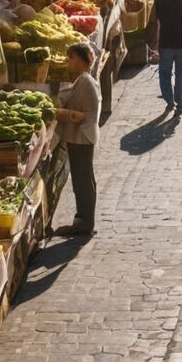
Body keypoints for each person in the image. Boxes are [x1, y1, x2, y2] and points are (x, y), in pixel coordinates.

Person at [54, 43, 101, 236]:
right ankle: (84, 219)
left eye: (72, 57)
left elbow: (79, 115)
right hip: (82, 136)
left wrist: (56, 112)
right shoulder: (83, 79)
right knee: (84, 178)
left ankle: (84, 222)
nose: (69, 62)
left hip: (81, 137)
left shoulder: (85, 82)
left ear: (81, 60)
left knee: (82, 180)